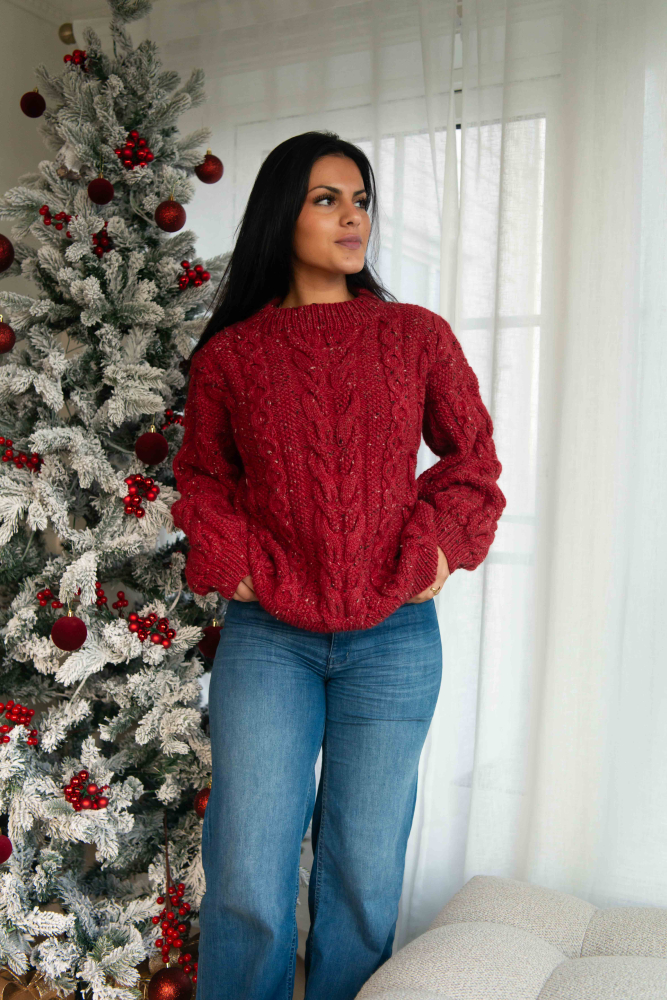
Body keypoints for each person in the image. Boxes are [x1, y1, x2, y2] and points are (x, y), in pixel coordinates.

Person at [171, 130, 506, 1000]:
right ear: (282, 214)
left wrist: (439, 543)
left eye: (359, 200)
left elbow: (471, 458)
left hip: (393, 638)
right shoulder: (232, 355)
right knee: (247, 872)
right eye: (327, 200)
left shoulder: (414, 335)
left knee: (362, 873)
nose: (352, 217)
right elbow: (201, 478)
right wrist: (234, 560)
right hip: (268, 640)